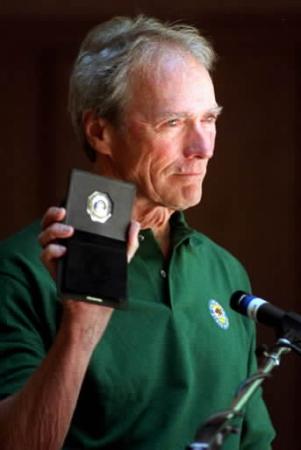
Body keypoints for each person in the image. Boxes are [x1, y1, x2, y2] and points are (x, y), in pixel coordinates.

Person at [0, 15, 275, 450]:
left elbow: (252, 441)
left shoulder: (226, 273)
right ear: (100, 131)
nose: (203, 148)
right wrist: (82, 327)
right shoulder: (19, 270)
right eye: (173, 123)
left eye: (209, 118)